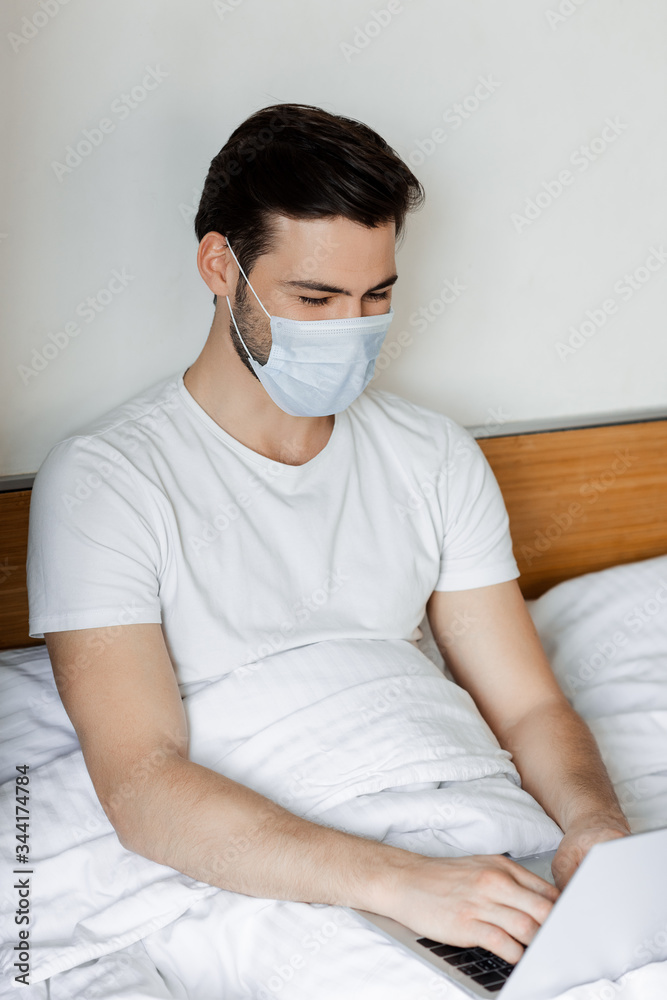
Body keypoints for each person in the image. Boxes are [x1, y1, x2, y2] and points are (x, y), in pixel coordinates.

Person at [27, 102, 630, 970]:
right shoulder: (110, 480)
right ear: (218, 266)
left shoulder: (431, 455)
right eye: (313, 297)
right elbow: (142, 783)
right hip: (290, 870)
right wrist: (401, 882)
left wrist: (592, 826)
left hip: (476, 837)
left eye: (375, 296)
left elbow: (529, 706)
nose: (351, 329)